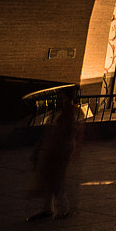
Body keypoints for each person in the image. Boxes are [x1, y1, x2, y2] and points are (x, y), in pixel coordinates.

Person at [30, 87, 84, 220]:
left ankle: (63, 208)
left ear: (67, 98)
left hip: (62, 149)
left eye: (61, 97)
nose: (58, 100)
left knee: (56, 179)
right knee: (51, 177)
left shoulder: (71, 112)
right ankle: (48, 208)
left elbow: (69, 131)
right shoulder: (65, 112)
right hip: (58, 148)